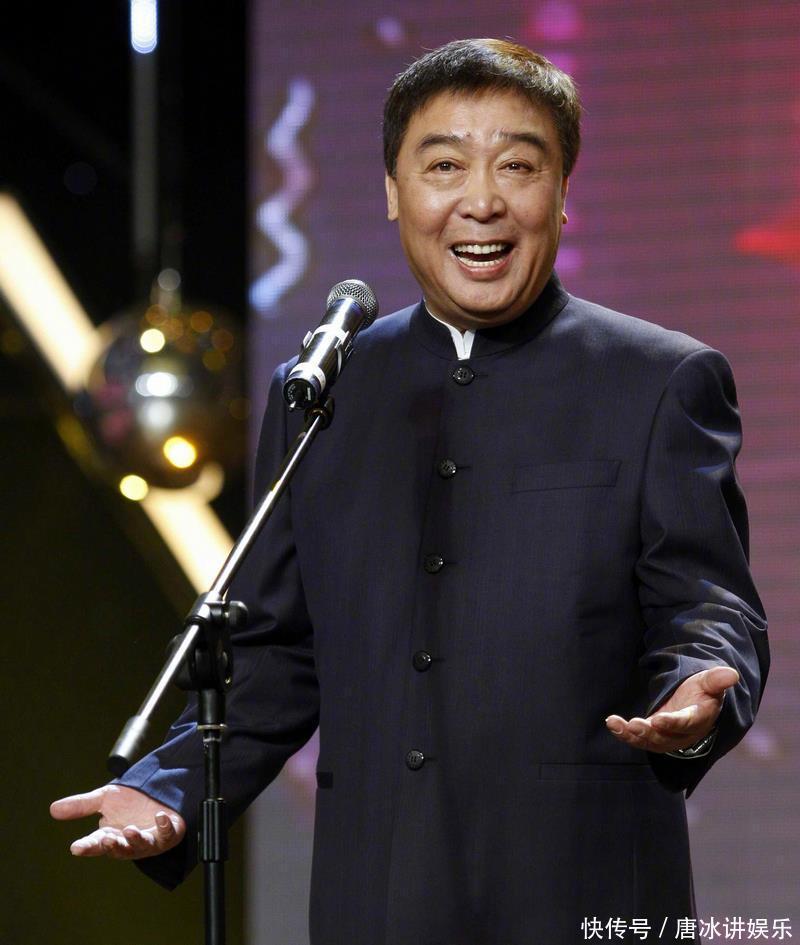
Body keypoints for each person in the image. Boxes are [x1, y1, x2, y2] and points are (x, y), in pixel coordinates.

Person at [51, 39, 769, 944]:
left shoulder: (661, 380)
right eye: (444, 166)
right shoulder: (321, 392)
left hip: (581, 892)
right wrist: (172, 786)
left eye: (518, 165)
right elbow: (277, 653)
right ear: (393, 191)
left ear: (562, 191)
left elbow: (707, 605)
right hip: (376, 898)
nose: (482, 201)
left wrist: (700, 692)